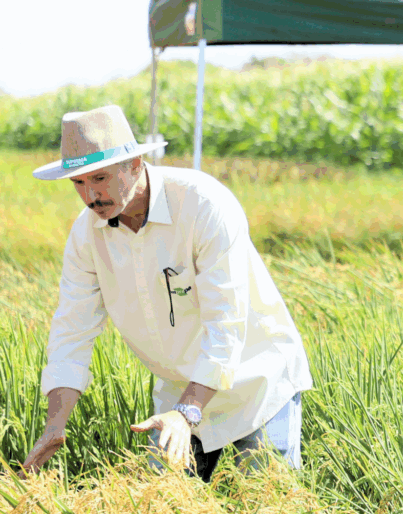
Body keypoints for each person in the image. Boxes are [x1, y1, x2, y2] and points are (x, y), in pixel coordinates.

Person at [21, 105, 313, 481]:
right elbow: (72, 331)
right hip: (177, 394)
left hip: (256, 383)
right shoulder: (86, 235)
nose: (90, 195)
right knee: (163, 506)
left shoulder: (204, 205)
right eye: (78, 183)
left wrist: (188, 412)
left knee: (267, 502)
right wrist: (54, 424)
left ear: (134, 164)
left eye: (100, 178)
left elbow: (226, 324)